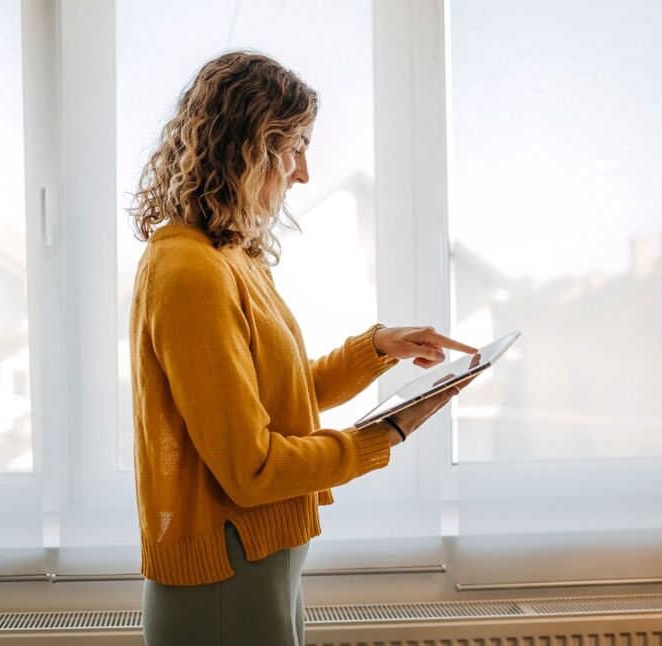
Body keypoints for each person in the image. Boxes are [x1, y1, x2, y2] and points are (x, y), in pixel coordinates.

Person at [128, 51, 476, 646]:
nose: (303, 173)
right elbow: (252, 469)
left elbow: (273, 397)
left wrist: (377, 349)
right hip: (224, 579)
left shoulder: (228, 256)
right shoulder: (190, 271)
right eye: (295, 147)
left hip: (254, 564)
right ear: (246, 148)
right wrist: (386, 434)